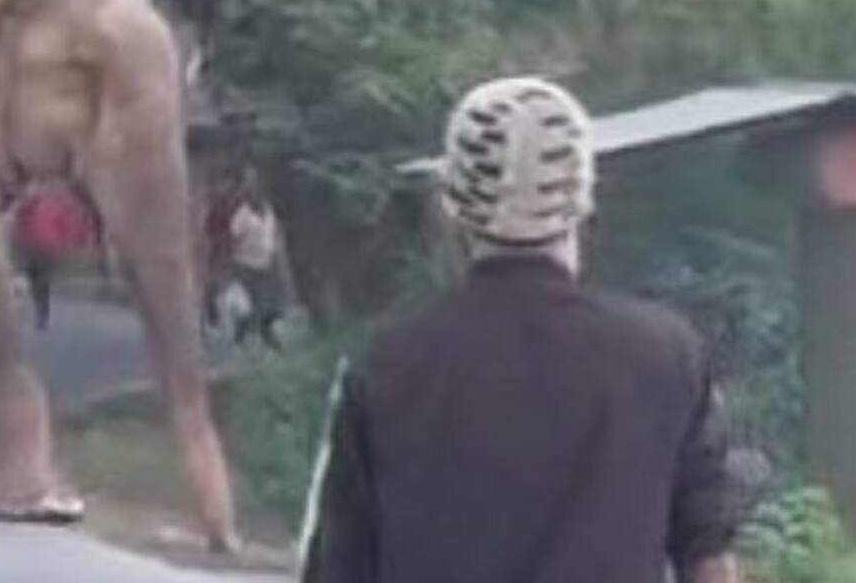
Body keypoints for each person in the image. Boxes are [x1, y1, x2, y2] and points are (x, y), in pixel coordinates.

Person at [299, 76, 743, 583]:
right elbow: (709, 560)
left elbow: (339, 570)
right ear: (585, 198)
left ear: (451, 206)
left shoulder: (384, 369)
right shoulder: (667, 356)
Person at [11, 172, 91, 332]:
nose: (34, 189)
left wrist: (69, 240)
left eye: (37, 186)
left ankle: (41, 311)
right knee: (34, 278)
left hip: (46, 246)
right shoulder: (27, 204)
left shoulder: (54, 202)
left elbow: (64, 221)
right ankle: (39, 307)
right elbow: (20, 221)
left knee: (40, 279)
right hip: (31, 245)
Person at [227, 181, 287, 351]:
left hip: (266, 263)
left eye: (259, 194)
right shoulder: (242, 215)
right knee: (253, 305)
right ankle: (242, 337)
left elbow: (273, 234)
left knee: (274, 305)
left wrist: (276, 254)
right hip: (247, 265)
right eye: (252, 194)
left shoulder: (268, 212)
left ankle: (265, 333)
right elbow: (234, 237)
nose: (257, 197)